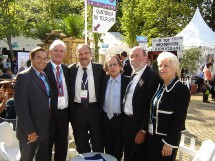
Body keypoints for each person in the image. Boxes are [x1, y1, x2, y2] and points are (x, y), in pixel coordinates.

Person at [147, 52, 190, 161]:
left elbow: (179, 120)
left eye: (166, 65)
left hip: (166, 141)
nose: (162, 68)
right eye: (160, 65)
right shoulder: (161, 86)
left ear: (175, 68)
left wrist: (169, 143)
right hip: (153, 138)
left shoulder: (181, 90)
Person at [123, 46, 159, 161]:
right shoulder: (133, 74)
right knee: (128, 155)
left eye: (137, 56)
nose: (133, 59)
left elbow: (150, 106)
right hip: (127, 123)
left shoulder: (151, 76)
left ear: (145, 57)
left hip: (139, 126)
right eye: (131, 56)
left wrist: (143, 130)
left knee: (139, 156)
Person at [14, 47, 50, 161]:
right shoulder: (23, 77)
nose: (42, 61)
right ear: (32, 59)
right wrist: (30, 130)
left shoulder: (44, 75)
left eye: (45, 58)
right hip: (30, 132)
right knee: (27, 158)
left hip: (43, 128)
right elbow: (21, 107)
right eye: (38, 57)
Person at [68, 44, 105, 153]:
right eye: (80, 54)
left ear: (91, 54)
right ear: (76, 55)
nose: (83, 56)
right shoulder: (70, 70)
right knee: (80, 142)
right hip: (77, 110)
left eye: (86, 53)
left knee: (98, 142)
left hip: (95, 110)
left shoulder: (100, 69)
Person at [44, 40, 70, 161]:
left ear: (65, 53)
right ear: (50, 52)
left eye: (61, 51)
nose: (58, 53)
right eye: (56, 50)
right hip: (48, 116)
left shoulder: (66, 69)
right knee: (46, 148)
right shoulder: (43, 69)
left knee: (62, 147)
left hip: (63, 114)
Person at [101, 55, 129, 161]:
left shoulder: (127, 81)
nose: (112, 67)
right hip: (106, 119)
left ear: (120, 66)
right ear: (106, 68)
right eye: (110, 65)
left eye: (115, 65)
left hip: (120, 120)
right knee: (107, 151)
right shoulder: (104, 80)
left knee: (117, 152)